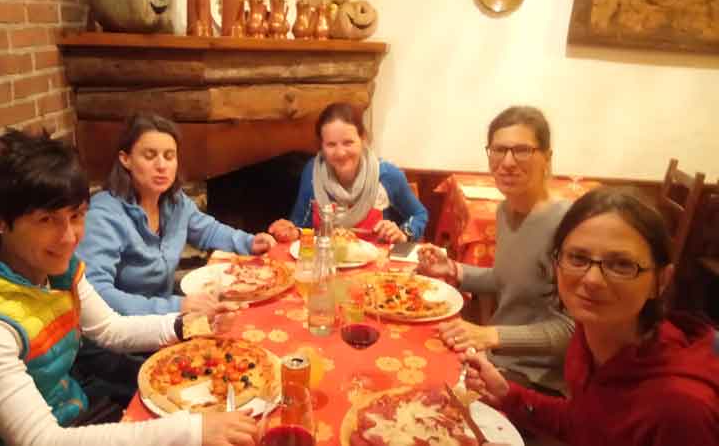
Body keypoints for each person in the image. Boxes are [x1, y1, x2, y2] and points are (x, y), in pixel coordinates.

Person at [0, 130, 256, 446]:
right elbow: (41, 440)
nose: (69, 238)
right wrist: (192, 430)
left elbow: (110, 329)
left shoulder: (54, 268)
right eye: (46, 220)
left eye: (77, 215)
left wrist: (190, 324)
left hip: (75, 409)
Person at [462, 186, 719, 446]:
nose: (592, 279)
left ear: (661, 281)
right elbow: (585, 422)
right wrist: (508, 394)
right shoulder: (589, 337)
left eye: (621, 264)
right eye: (577, 258)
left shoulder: (680, 410)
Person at [418, 106, 573, 392]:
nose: (508, 162)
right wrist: (453, 269)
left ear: (547, 158)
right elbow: (507, 279)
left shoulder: (567, 225)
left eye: (522, 150)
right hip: (499, 358)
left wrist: (490, 335)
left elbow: (572, 331)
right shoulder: (505, 211)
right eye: (499, 150)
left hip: (538, 379)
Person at [76, 113, 276, 316]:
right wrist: (176, 307)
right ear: (125, 159)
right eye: (150, 156)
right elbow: (96, 294)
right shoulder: (102, 216)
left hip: (166, 318)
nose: (162, 166)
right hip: (122, 329)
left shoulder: (175, 202)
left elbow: (208, 231)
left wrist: (249, 242)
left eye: (169, 156)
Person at [268, 102, 428, 244]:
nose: (340, 153)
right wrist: (291, 231)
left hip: (376, 266)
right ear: (321, 146)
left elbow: (419, 214)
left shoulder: (387, 175)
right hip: (326, 262)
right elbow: (300, 226)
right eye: (331, 145)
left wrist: (403, 233)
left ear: (363, 139)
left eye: (348, 143)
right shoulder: (312, 172)